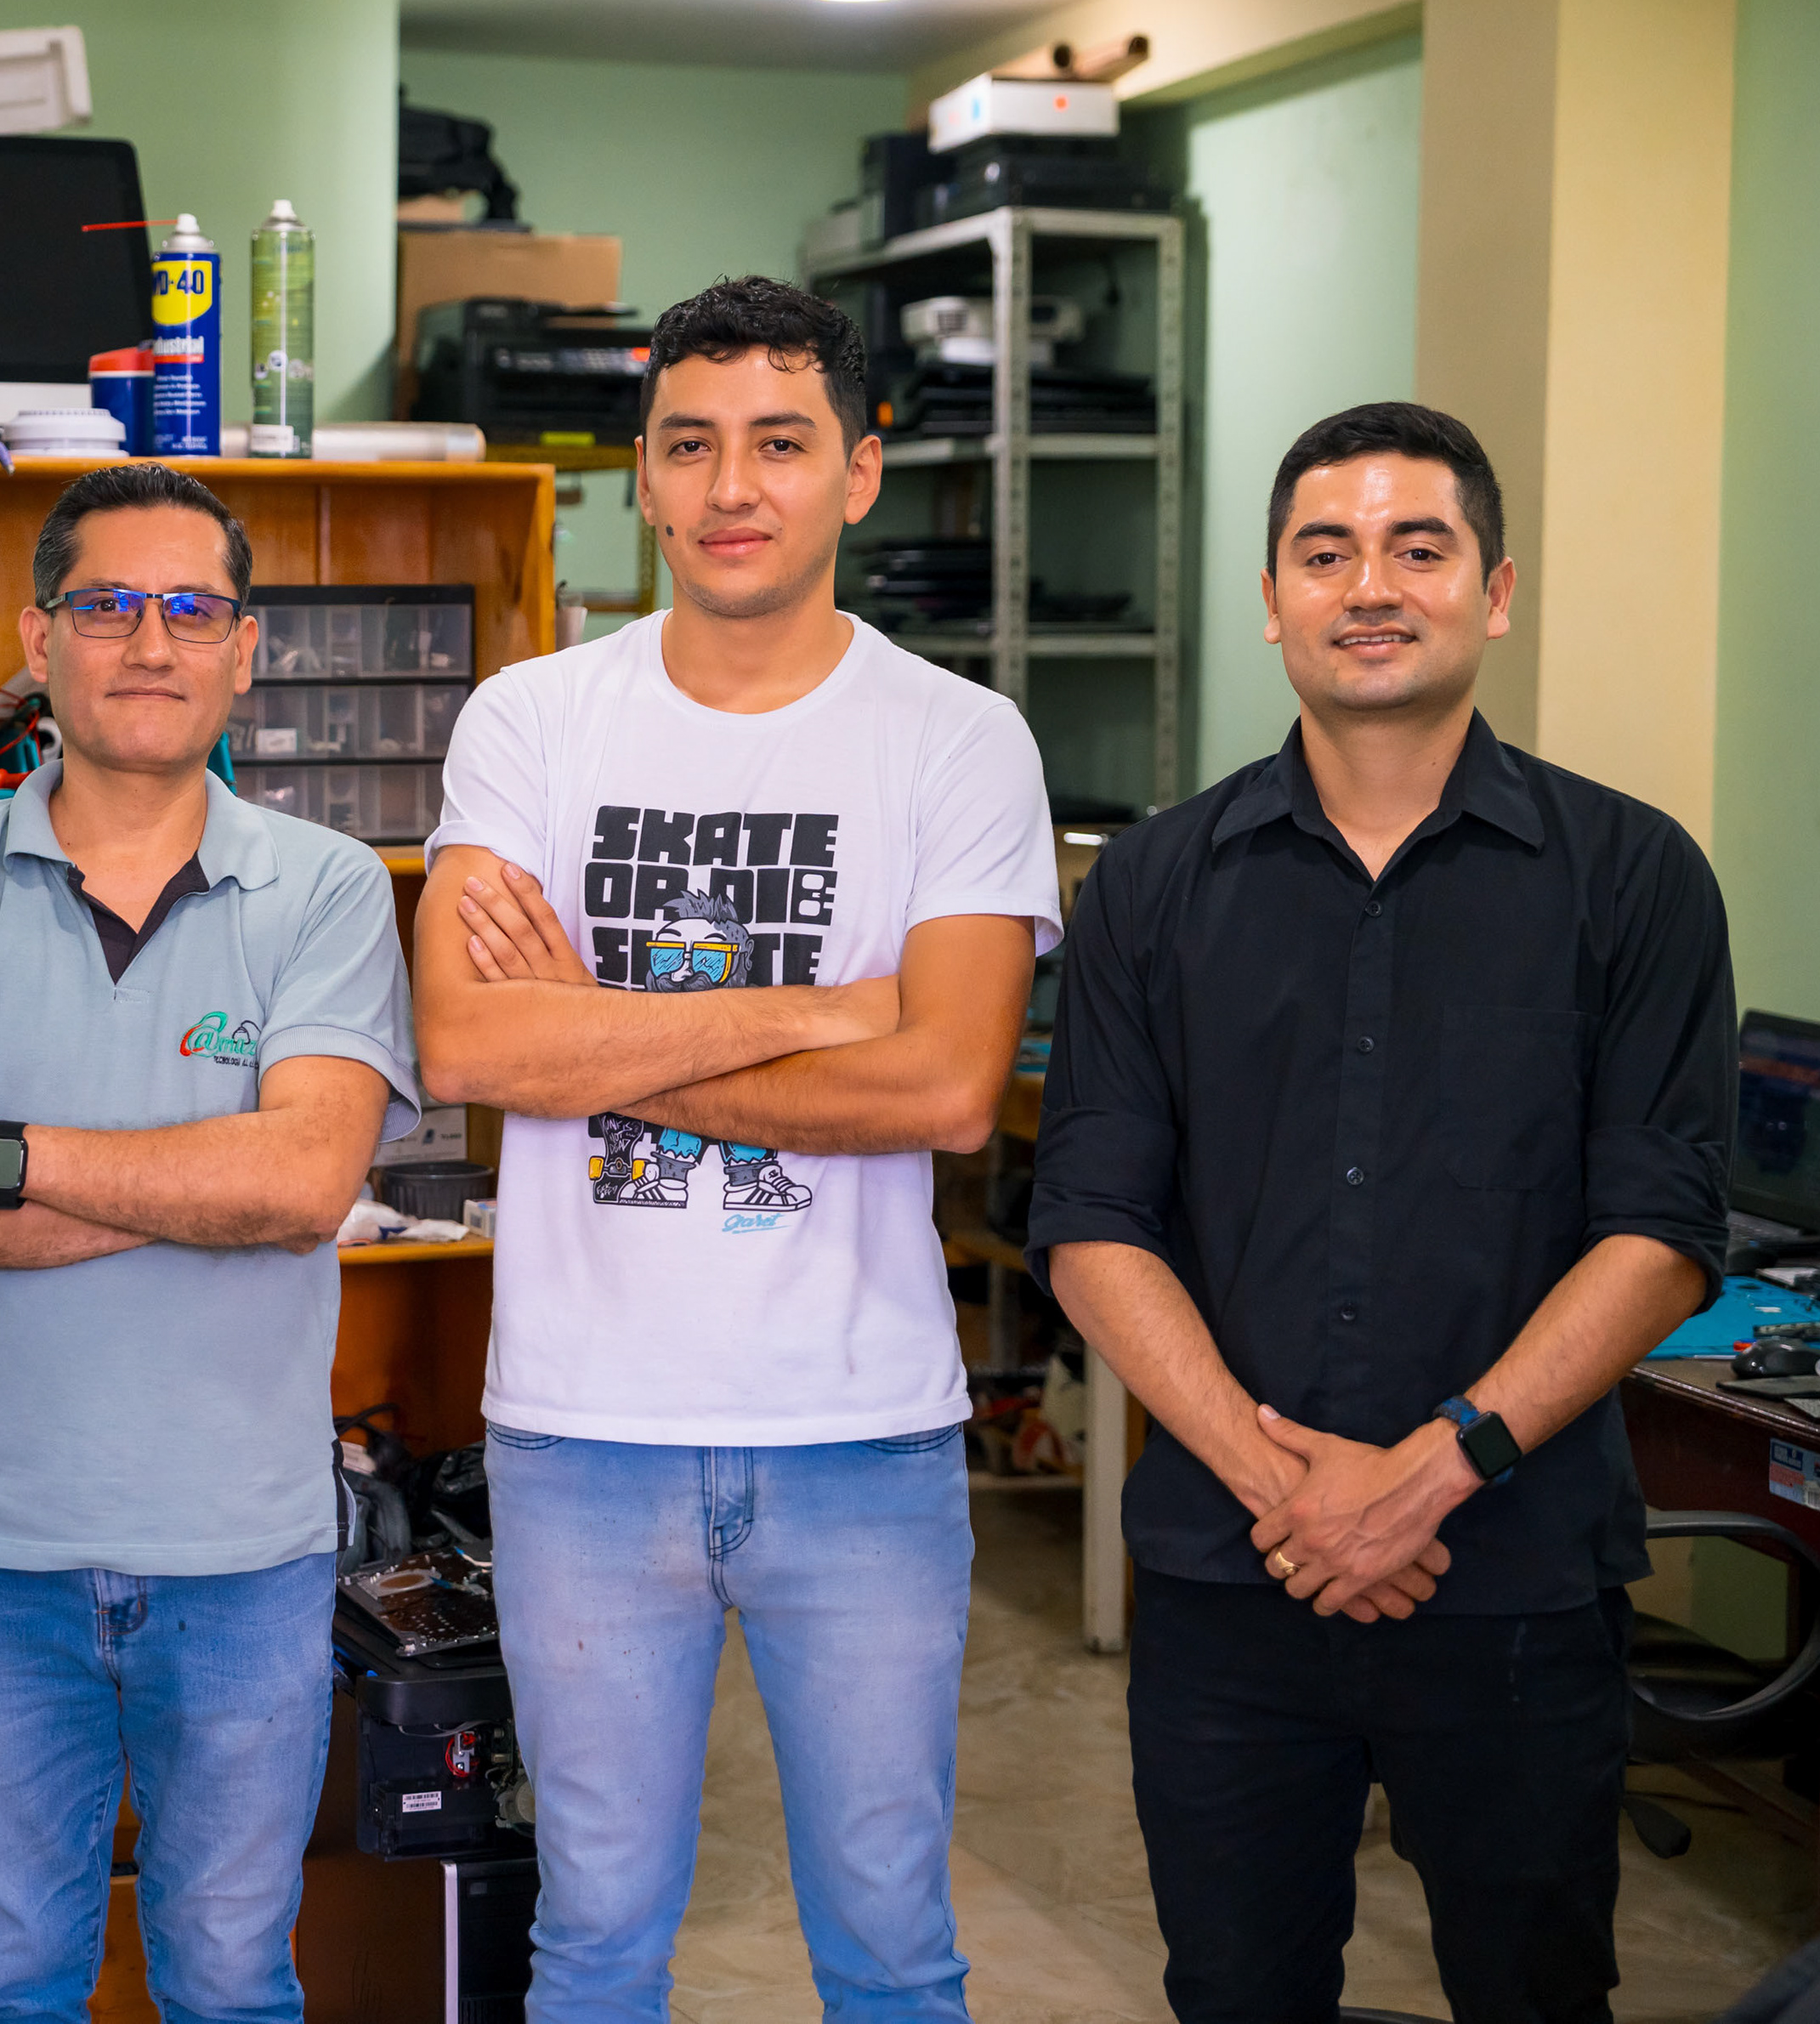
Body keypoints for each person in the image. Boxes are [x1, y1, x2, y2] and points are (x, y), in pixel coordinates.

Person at [1029, 401, 1735, 2024]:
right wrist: (1285, 1489)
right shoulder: (1151, 887)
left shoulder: (1631, 878)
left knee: (1534, 1993)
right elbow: (1090, 1221)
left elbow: (1659, 1229)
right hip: (1231, 1579)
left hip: (1513, 1581)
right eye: (1324, 552)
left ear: (1495, 591)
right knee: (1235, 1991)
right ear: (1270, 599)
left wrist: (1427, 1476)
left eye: (1418, 548)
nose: (1368, 586)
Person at [415, 275, 1059, 2022]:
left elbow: (945, 1090)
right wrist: (831, 1009)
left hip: (860, 1432)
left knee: (892, 1952)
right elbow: (469, 1045)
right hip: (580, 1431)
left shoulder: (958, 739)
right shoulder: (530, 719)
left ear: (859, 470)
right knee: (592, 1942)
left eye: (779, 443)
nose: (730, 487)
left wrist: (595, 1030)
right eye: (689, 445)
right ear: (641, 472)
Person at [0, 462, 420, 2023]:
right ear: (39, 639)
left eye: (190, 610)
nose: (150, 642)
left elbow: (302, 1187)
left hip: (245, 1556)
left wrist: (14, 1158)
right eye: (106, 606)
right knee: (14, 1981)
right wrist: (207, 1182)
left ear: (244, 649)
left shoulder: (327, 887)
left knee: (228, 1980)